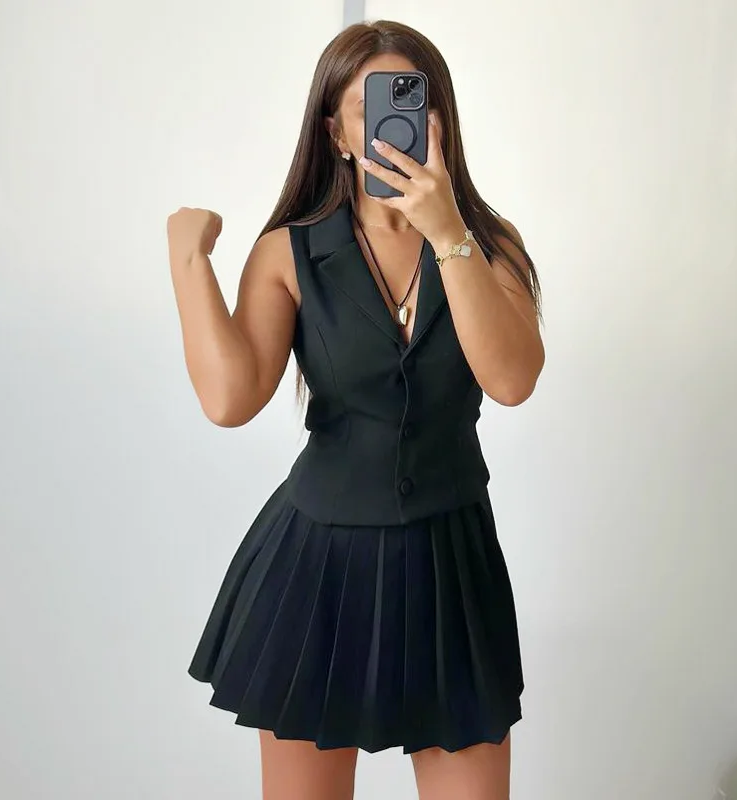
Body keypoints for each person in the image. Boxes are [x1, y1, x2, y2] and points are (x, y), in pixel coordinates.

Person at [167, 19, 544, 800]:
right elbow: (231, 398)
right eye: (367, 108)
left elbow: (511, 380)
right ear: (335, 133)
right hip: (318, 568)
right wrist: (189, 261)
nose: (392, 123)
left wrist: (448, 233)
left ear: (440, 120)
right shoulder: (292, 250)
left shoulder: (490, 244)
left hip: (451, 564)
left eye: (410, 100)